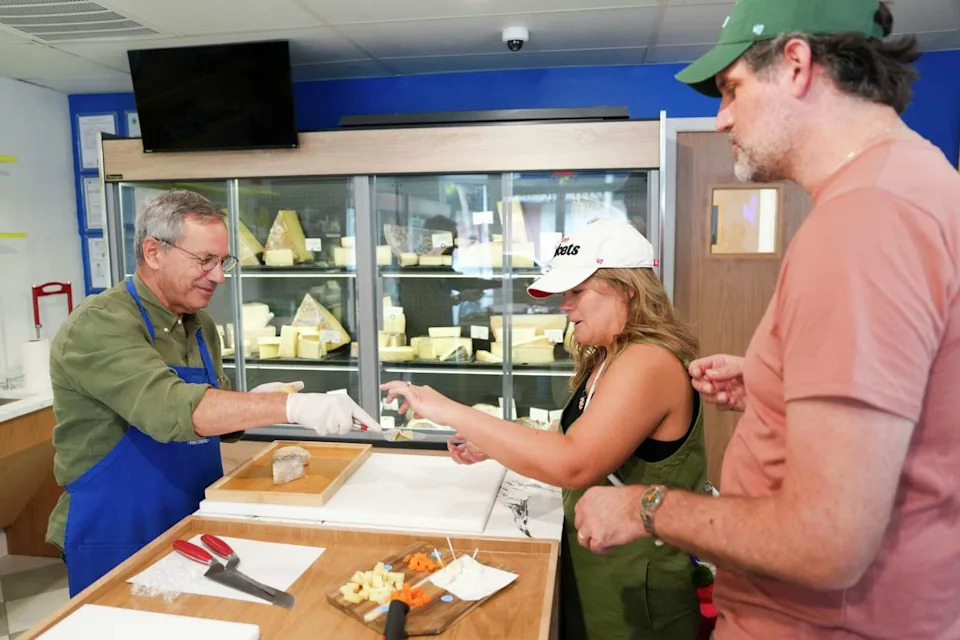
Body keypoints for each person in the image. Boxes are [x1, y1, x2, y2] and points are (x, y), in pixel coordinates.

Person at [573, 1, 960, 637]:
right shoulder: (919, 184)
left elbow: (826, 542)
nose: (722, 117)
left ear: (797, 64)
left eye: (731, 89)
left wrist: (647, 507)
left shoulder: (864, 222)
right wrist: (778, 383)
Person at [383, 218, 706, 639]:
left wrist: (450, 410)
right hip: (600, 564)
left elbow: (575, 463)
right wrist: (495, 444)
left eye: (577, 291)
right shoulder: (611, 354)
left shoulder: (648, 361)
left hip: (637, 586)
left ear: (628, 287)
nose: (565, 305)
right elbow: (571, 439)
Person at [47, 190, 377, 596]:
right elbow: (171, 409)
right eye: (204, 260)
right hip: (118, 530)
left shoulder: (199, 324)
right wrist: (289, 406)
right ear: (153, 251)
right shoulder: (99, 326)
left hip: (193, 517)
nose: (219, 276)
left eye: (223, 261)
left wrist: (255, 401)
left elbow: (208, 414)